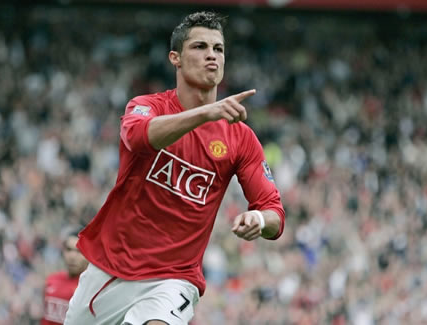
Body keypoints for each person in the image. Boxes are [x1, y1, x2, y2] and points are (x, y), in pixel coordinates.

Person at [64, 11, 285, 325]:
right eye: (199, 47)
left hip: (174, 278)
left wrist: (260, 218)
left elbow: (275, 212)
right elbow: (139, 137)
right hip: (112, 265)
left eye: (218, 49)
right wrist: (206, 113)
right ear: (175, 58)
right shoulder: (146, 106)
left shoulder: (240, 138)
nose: (211, 55)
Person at [42, 227, 89, 325]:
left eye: (79, 251)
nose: (72, 256)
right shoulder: (51, 280)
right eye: (69, 249)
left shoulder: (90, 288)